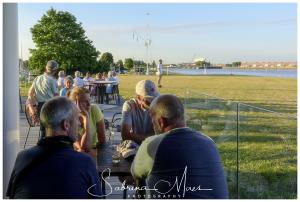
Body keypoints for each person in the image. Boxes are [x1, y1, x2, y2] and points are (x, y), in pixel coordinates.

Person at [131, 94, 229, 199]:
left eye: (152, 118)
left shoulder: (154, 144)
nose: (152, 123)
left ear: (161, 122)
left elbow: (136, 172)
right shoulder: (208, 141)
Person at [6, 97, 102, 199]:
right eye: (77, 119)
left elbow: (12, 195)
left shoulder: (23, 157)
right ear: (66, 125)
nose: (79, 123)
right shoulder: (84, 162)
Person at [121, 80, 159, 144]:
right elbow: (125, 135)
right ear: (138, 97)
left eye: (155, 98)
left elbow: (161, 135)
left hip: (153, 146)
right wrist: (151, 137)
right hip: (134, 147)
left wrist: (135, 136)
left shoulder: (159, 105)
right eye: (148, 100)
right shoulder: (129, 105)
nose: (152, 102)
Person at [67, 87, 106, 151]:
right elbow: (84, 148)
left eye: (89, 100)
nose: (89, 104)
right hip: (77, 153)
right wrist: (86, 118)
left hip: (95, 150)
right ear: (74, 103)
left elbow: (102, 140)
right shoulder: (69, 118)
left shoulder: (94, 109)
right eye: (84, 101)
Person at [27, 60, 59, 138]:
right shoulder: (52, 80)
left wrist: (32, 106)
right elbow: (56, 96)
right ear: (55, 70)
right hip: (50, 105)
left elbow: (30, 93)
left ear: (46, 68)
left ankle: (42, 146)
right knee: (50, 129)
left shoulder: (37, 78)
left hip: (40, 105)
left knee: (42, 129)